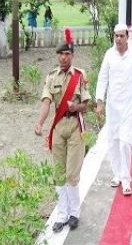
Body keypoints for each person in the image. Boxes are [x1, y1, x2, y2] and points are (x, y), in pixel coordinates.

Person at [34, 28, 91, 233]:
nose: (64, 57)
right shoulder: (51, 77)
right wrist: (40, 123)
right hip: (58, 128)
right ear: (57, 55)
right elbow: (46, 103)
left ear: (72, 56)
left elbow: (87, 104)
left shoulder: (80, 76)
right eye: (61, 54)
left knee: (72, 173)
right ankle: (61, 213)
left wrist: (77, 107)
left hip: (75, 127)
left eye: (67, 54)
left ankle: (74, 212)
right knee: (59, 173)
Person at [95, 23, 132, 196]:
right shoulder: (109, 55)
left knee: (125, 141)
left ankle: (126, 179)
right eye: (116, 36)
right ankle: (117, 174)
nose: (118, 39)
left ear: (127, 37)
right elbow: (102, 79)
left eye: (121, 36)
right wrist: (99, 101)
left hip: (129, 105)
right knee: (113, 140)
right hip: (113, 105)